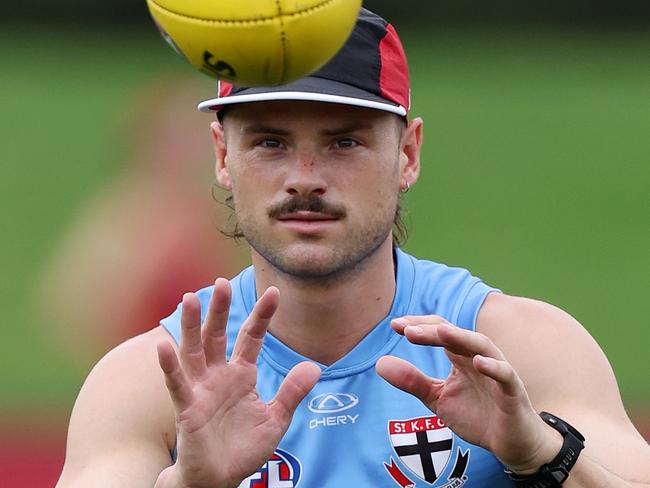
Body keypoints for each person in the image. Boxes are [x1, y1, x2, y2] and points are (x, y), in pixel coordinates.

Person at [56, 8, 650, 488]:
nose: (306, 176)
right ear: (221, 157)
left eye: (344, 142)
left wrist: (543, 455)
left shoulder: (518, 350)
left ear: (408, 155)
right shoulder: (148, 382)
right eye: (270, 142)